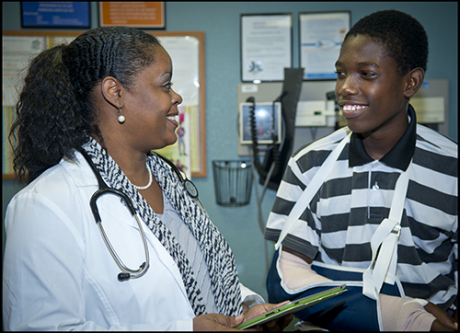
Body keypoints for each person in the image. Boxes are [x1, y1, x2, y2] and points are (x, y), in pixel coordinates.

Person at [2, 26, 292, 331]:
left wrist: (244, 310)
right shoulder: (46, 204)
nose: (177, 96)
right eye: (165, 85)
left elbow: (195, 275)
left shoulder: (172, 183)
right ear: (115, 93)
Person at [264, 10, 457, 332]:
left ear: (411, 82)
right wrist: (407, 316)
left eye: (366, 74)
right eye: (341, 74)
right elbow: (286, 279)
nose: (345, 88)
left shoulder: (451, 170)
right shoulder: (309, 165)